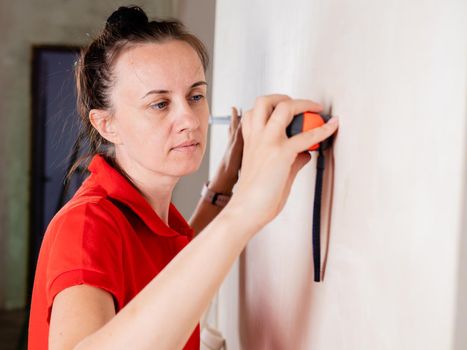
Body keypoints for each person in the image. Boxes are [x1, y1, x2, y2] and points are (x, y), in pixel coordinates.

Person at [28, 5, 339, 350]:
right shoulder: (88, 224)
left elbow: (173, 273)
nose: (189, 119)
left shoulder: (152, 214)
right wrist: (245, 209)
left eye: (195, 96)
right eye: (159, 104)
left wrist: (224, 188)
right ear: (107, 124)